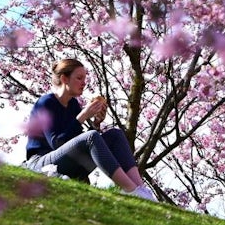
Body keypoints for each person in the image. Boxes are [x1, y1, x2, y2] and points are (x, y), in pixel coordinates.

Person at [23, 58, 157, 201]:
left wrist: (96, 124)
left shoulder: (73, 105)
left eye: (85, 78)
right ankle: (131, 190)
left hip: (66, 162)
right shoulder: (46, 103)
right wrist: (82, 116)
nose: (84, 82)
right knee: (91, 136)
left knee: (115, 135)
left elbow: (77, 142)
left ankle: (141, 190)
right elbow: (56, 143)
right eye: (79, 78)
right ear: (64, 78)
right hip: (41, 164)